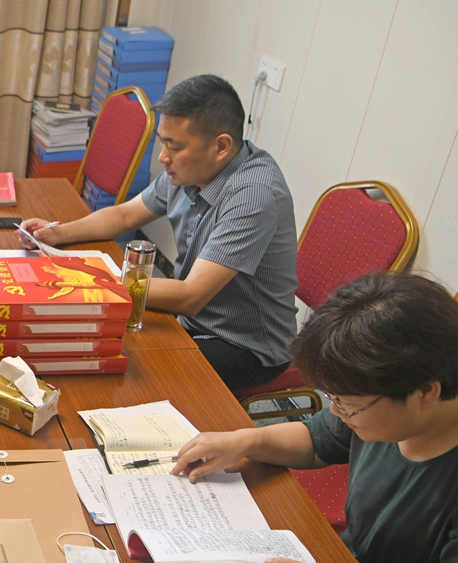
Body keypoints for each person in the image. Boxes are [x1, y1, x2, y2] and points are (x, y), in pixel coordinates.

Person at [171, 272, 458, 563]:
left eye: (349, 405)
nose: (339, 412)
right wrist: (247, 440)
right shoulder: (383, 408)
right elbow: (318, 438)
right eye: (332, 399)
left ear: (426, 393)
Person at [20, 74, 298, 391]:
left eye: (173, 146)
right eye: (163, 142)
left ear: (221, 146)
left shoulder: (254, 196)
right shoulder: (191, 167)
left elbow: (191, 296)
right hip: (194, 321)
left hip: (244, 346)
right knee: (89, 341)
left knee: (132, 374)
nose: (163, 157)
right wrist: (57, 234)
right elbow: (125, 214)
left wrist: (89, 283)